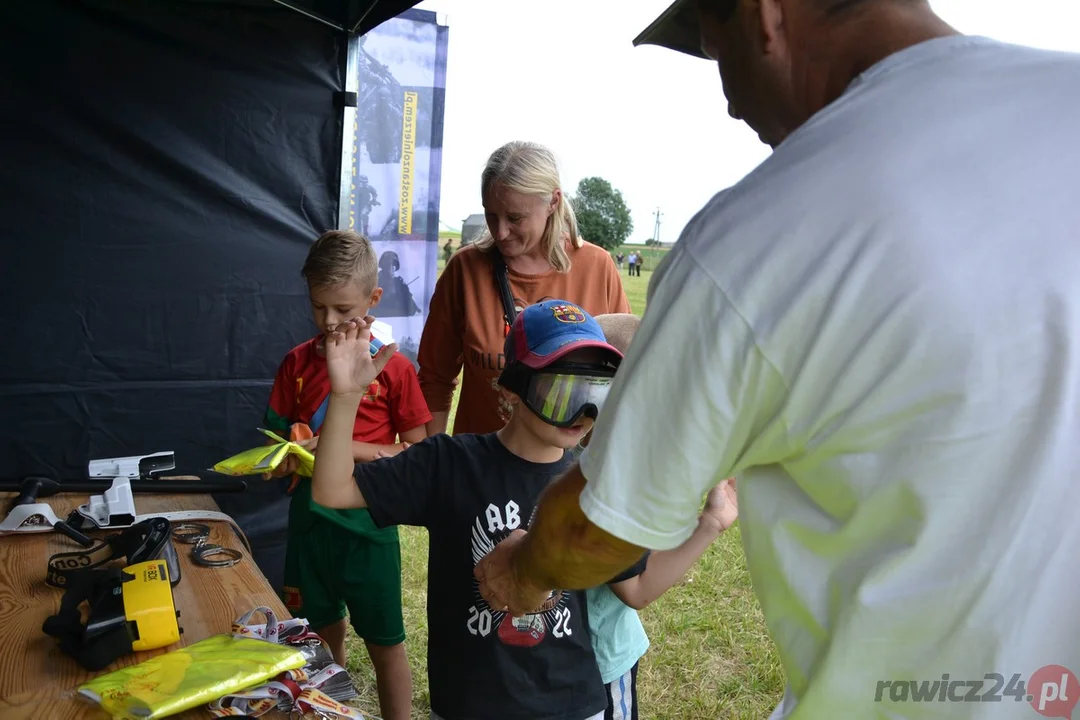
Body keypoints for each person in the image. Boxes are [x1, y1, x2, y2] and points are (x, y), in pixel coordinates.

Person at [474, 1, 1080, 719]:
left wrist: (522, 569)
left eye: (715, 45)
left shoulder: (753, 240)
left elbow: (595, 528)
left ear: (764, 16)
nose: (730, 102)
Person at [308, 300, 627, 720]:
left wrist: (709, 523)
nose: (582, 412)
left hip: (572, 704)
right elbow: (332, 491)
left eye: (594, 391)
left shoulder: (595, 482)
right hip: (469, 704)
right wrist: (346, 396)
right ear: (511, 387)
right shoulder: (450, 463)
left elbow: (637, 589)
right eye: (561, 389)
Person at [264, 229, 429, 720]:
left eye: (342, 309)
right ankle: (329, 711)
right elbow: (275, 442)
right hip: (310, 524)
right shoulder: (295, 363)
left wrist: (342, 448)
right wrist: (285, 455)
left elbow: (416, 453)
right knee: (319, 635)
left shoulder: (392, 367)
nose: (330, 322)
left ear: (374, 298)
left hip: (368, 527)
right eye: (319, 308)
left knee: (385, 643)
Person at [582, 313, 739, 720]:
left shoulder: (559, 456)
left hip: (582, 656)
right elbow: (636, 590)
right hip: (594, 664)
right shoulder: (608, 484)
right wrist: (710, 525)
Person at [417, 140, 631, 438]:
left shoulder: (598, 267)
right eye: (491, 215)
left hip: (567, 478)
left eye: (515, 218)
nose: (500, 231)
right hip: (479, 470)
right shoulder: (465, 270)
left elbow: (622, 382)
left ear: (553, 202)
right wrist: (433, 464)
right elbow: (435, 379)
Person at [377, 250, 422, 317]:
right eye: (387, 264)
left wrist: (404, 292)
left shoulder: (400, 285)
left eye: (393, 265)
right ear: (382, 266)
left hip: (399, 320)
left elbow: (411, 310)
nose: (391, 267)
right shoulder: (374, 283)